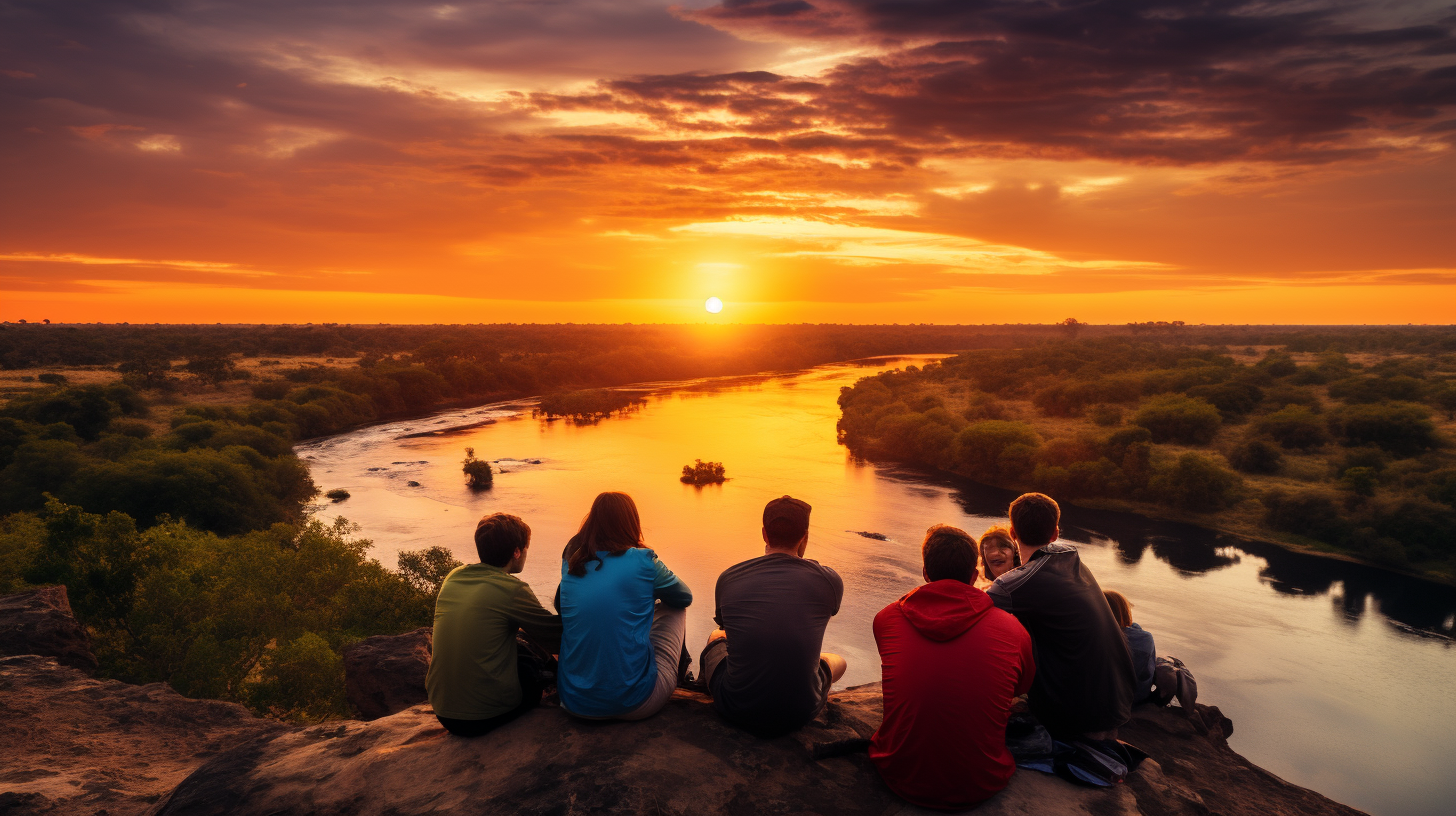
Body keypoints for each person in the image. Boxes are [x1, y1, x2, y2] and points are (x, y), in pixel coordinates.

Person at [870, 525, 1035, 810]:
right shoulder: (1013, 629)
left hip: (901, 774)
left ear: (925, 572)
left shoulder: (886, 619)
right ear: (974, 576)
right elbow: (1020, 688)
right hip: (981, 781)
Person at [987, 493, 1135, 740]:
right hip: (1117, 703)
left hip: (1076, 717)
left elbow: (970, 613)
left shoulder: (1013, 585)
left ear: (1012, 532)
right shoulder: (1071, 558)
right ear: (1055, 533)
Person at [699, 495, 846, 737]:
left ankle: (704, 688)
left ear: (764, 533)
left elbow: (728, 628)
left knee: (717, 635)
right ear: (805, 535)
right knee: (837, 660)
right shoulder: (829, 580)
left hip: (736, 708)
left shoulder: (729, 577)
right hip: (800, 712)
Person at [556, 491, 692, 720]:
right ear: (631, 523)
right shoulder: (644, 560)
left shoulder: (571, 558)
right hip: (634, 703)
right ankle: (684, 674)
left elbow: (561, 605)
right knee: (675, 608)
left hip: (573, 702)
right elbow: (684, 597)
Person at [426, 512, 562, 737]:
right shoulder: (511, 589)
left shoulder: (454, 577)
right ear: (516, 552)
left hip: (443, 711)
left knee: (515, 645)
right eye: (526, 548)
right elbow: (556, 639)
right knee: (533, 668)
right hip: (484, 716)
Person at [1105, 590, 1157, 703]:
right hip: (1135, 699)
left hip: (1100, 699)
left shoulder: (1093, 636)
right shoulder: (1145, 638)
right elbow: (1148, 673)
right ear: (1125, 611)